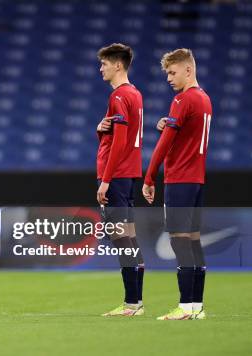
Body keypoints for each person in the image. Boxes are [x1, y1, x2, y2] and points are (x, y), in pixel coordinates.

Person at [143, 49, 212, 320]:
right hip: (196, 179)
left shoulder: (183, 100)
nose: (169, 79)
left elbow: (165, 145)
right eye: (167, 74)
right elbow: (186, 134)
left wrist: (149, 176)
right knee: (193, 242)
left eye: (172, 72)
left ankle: (185, 307)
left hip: (179, 179)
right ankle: (196, 307)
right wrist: (168, 125)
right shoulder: (204, 99)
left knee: (179, 242)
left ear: (188, 70)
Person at [95, 43, 145, 317]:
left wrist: (106, 180)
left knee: (121, 239)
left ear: (117, 65)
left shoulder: (119, 96)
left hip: (116, 177)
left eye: (104, 63)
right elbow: (118, 138)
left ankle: (132, 304)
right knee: (129, 239)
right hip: (128, 175)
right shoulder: (134, 94)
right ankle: (134, 302)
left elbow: (120, 143)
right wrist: (100, 130)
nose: (100, 68)